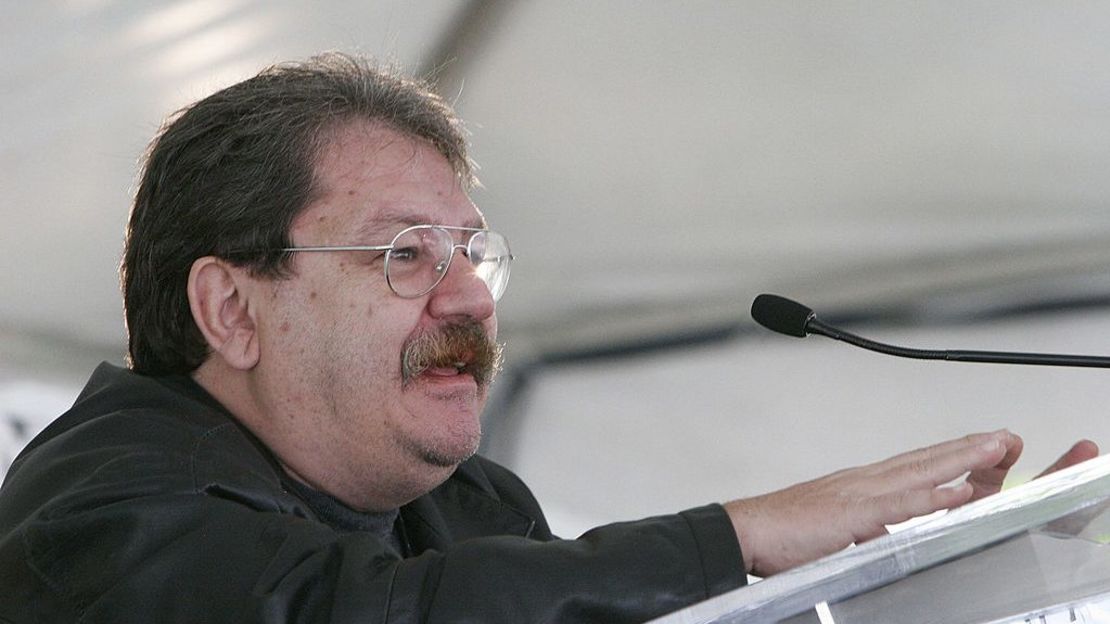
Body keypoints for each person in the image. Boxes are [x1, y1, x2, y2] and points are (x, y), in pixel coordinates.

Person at [0, 52, 1097, 623]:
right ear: (233, 310)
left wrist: (932, 587)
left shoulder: (467, 512)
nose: (471, 298)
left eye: (471, 253)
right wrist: (740, 535)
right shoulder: (96, 516)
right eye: (403, 254)